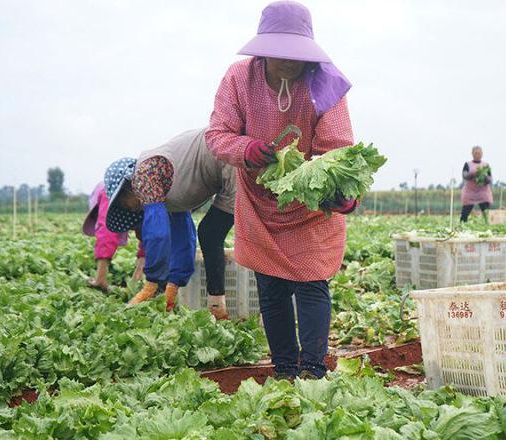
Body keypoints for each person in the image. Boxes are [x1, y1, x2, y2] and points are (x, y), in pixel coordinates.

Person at [205, 1, 356, 379]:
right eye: (280, 53)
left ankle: (314, 370)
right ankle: (286, 369)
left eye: (296, 54)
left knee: (311, 284)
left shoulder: (324, 82)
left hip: (310, 206)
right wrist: (247, 149)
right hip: (259, 204)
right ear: (264, 49)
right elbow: (217, 135)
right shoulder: (240, 78)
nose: (289, 61)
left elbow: (337, 146)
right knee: (270, 289)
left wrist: (339, 191)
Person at [104, 128, 236, 319]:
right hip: (225, 159)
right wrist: (173, 287)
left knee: (213, 233)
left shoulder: (143, 176)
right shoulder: (165, 191)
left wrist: (152, 284)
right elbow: (185, 238)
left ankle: (219, 307)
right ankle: (217, 307)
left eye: (123, 204)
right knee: (209, 233)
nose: (130, 210)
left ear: (127, 188)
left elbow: (158, 234)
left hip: (226, 153)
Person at [82, 182, 145, 291]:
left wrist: (100, 278)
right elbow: (148, 237)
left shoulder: (108, 194)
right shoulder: (141, 192)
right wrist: (136, 280)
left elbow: (106, 233)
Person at [460, 145, 493, 222]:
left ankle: (488, 225)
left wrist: (484, 177)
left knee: (486, 213)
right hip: (470, 192)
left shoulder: (485, 165)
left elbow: (490, 179)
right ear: (472, 154)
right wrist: (473, 173)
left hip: (483, 193)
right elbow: (464, 175)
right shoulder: (467, 164)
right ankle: (462, 225)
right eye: (475, 153)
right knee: (465, 213)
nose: (477, 155)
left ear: (482, 154)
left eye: (479, 153)